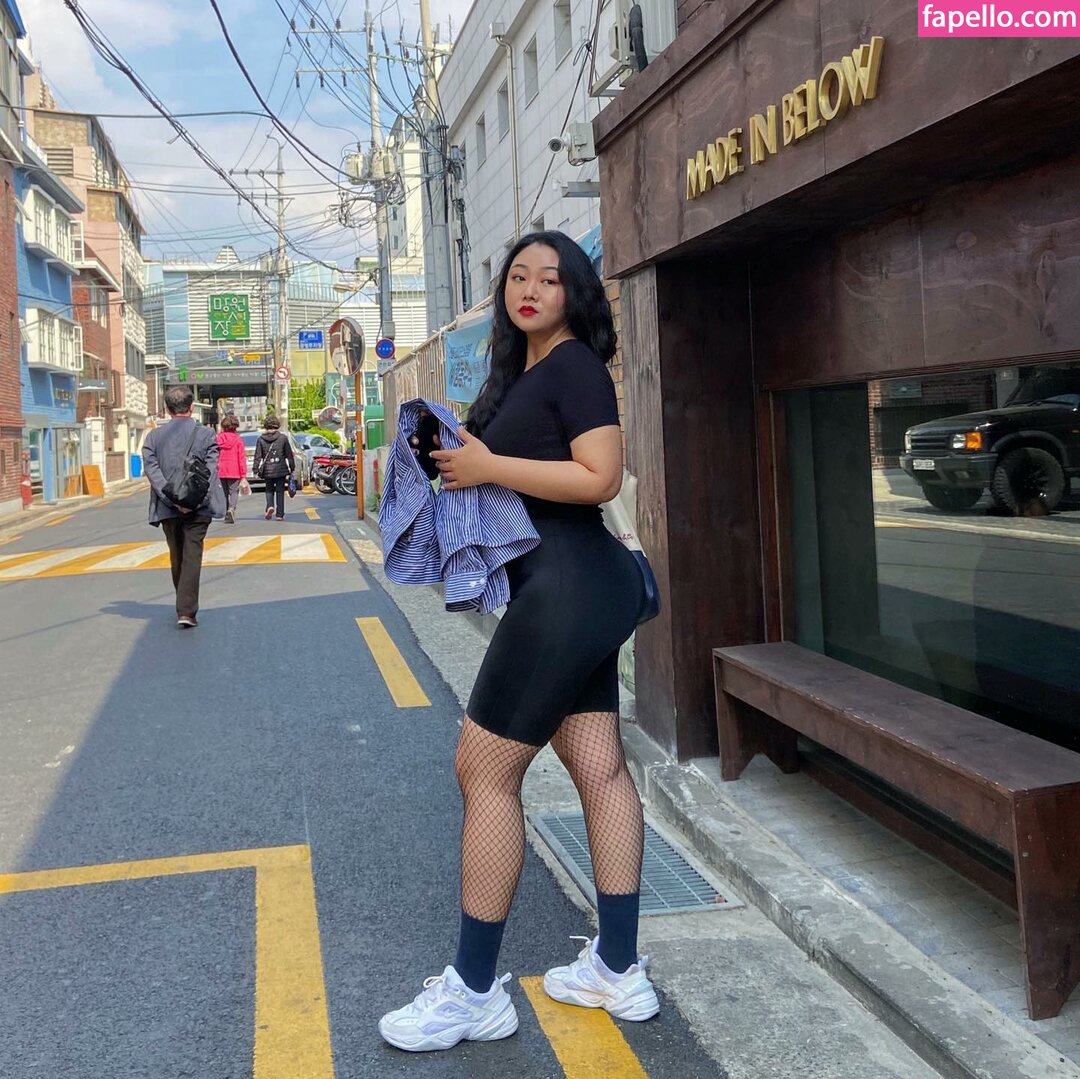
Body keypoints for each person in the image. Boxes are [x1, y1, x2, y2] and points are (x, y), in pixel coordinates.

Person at [379, 231, 657, 1053]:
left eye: (550, 278)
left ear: (576, 293)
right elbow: (494, 468)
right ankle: (617, 967)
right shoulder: (520, 374)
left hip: (567, 591)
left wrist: (491, 465)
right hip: (580, 588)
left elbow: (600, 476)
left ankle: (472, 991)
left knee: (484, 769)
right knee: (598, 765)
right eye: (518, 276)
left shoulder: (573, 367)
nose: (530, 288)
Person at [141, 386, 225, 628]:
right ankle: (186, 611)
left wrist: (172, 499)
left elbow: (152, 472)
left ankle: (184, 604)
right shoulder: (206, 434)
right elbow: (211, 473)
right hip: (199, 508)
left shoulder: (153, 438)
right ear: (192, 407)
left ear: (167, 409)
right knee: (192, 555)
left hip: (167, 508)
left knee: (176, 555)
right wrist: (194, 501)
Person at [252, 415, 294, 521]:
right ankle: (280, 515)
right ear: (277, 425)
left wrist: (255, 470)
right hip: (280, 469)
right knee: (280, 491)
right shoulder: (283, 438)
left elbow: (257, 456)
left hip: (267, 470)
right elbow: (289, 455)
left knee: (269, 489)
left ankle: (270, 506)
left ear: (266, 425)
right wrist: (292, 467)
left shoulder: (261, 439)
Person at [215, 414, 247, 524]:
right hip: (234, 469)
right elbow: (241, 458)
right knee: (233, 491)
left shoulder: (218, 438)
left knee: (224, 492)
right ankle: (231, 509)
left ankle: (226, 513)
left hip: (220, 469)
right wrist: (243, 475)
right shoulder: (238, 440)